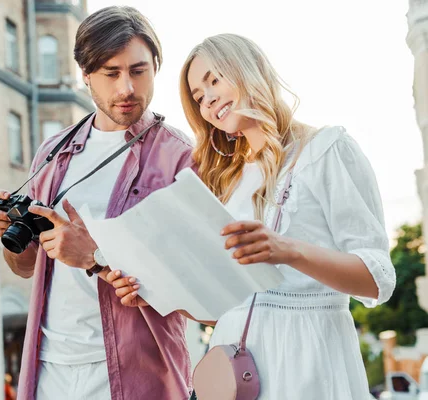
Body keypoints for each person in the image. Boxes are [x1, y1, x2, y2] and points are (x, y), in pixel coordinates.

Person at [110, 33, 396, 399]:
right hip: (232, 367)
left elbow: (379, 278)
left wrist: (288, 250)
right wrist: (157, 293)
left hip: (307, 362)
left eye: (214, 80)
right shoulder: (227, 182)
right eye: (198, 97)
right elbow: (226, 307)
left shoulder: (326, 149)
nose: (208, 99)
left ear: (248, 70)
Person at [0, 6, 194, 400]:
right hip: (50, 368)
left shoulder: (179, 159)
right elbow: (27, 268)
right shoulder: (53, 152)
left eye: (138, 71)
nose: (126, 89)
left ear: (155, 67)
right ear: (85, 74)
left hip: (134, 370)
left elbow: (191, 285)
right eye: (111, 73)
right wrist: (11, 239)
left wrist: (93, 257)